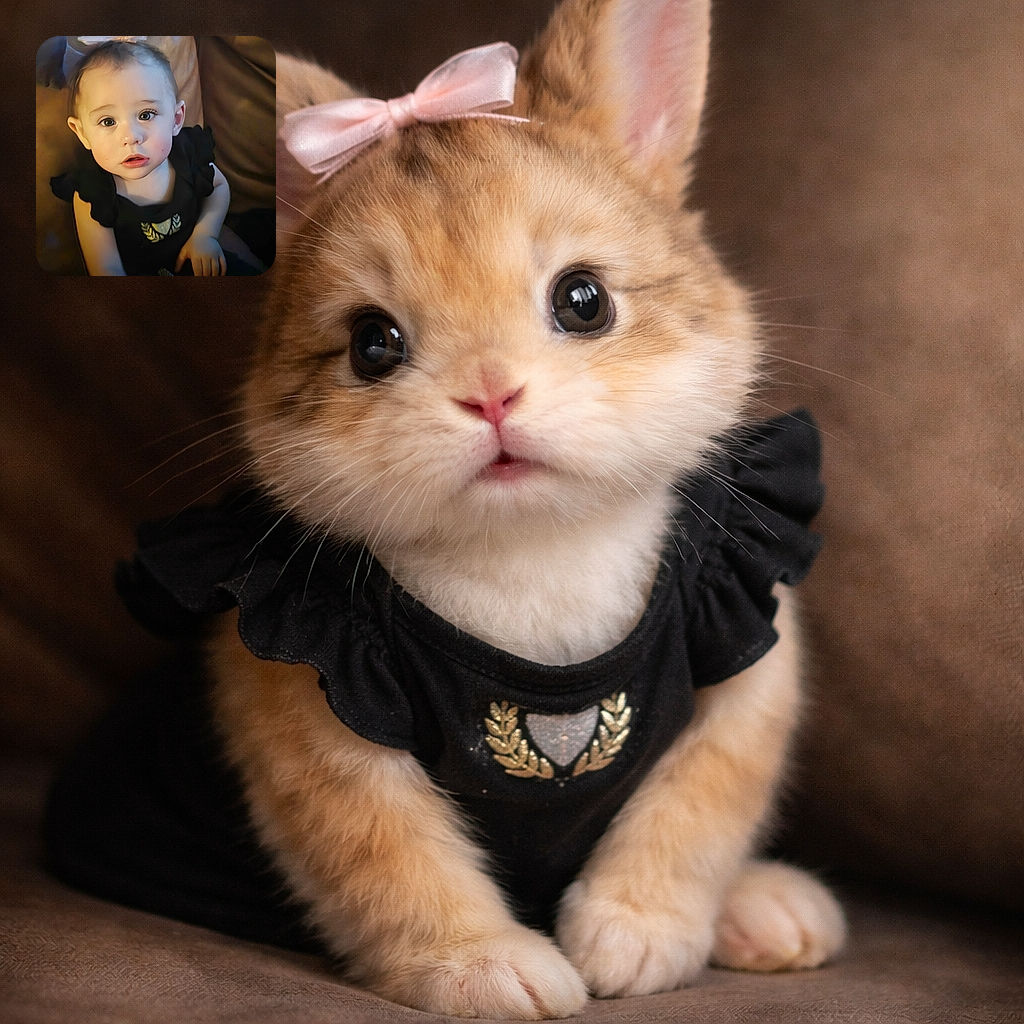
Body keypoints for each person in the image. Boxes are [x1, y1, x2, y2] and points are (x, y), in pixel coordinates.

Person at [51, 40, 236, 276]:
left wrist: (205, 235)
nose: (131, 137)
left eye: (146, 114)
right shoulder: (93, 194)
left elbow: (219, 187)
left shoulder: (188, 153)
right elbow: (106, 269)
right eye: (108, 121)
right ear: (82, 134)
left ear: (177, 119)